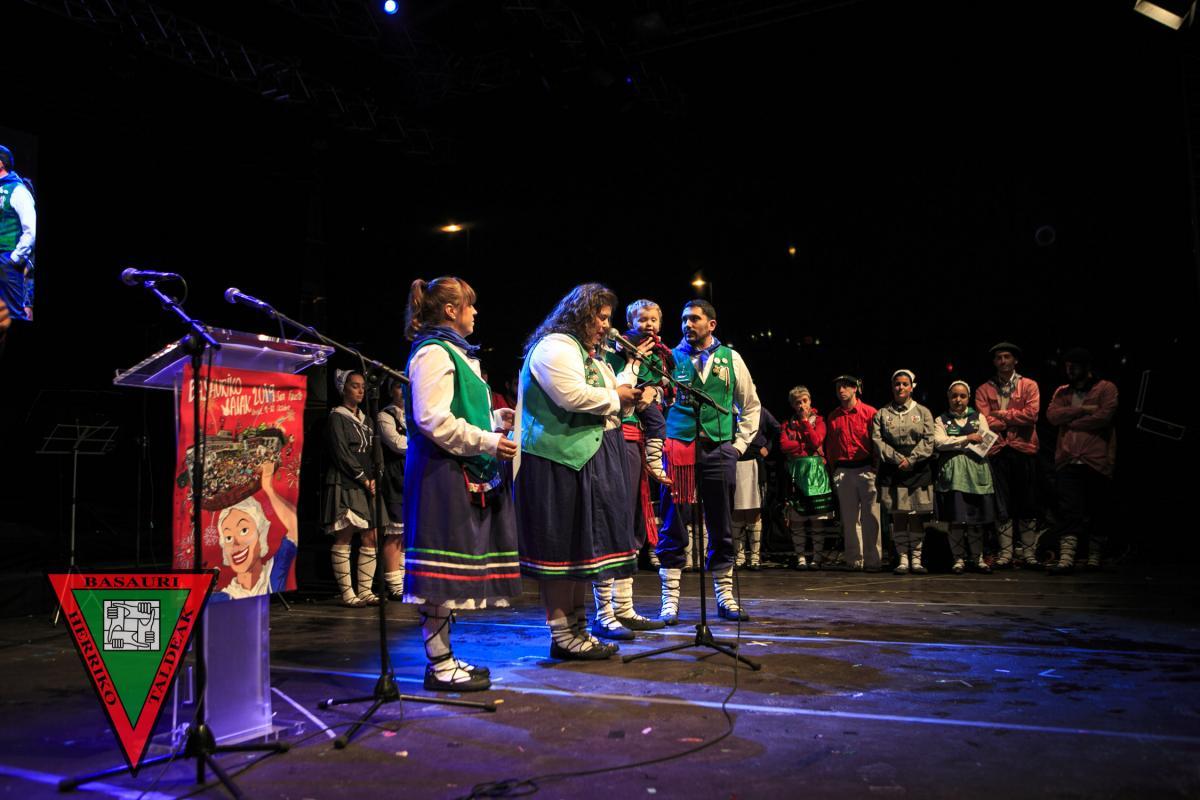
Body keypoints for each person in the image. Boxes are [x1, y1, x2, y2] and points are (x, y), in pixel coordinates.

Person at [403, 276, 522, 691]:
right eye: (470, 305)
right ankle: (439, 665)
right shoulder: (433, 353)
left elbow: (457, 412)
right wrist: (488, 441)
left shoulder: (455, 352)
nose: (476, 312)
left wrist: (493, 420)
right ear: (451, 310)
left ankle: (445, 656)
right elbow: (432, 419)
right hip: (439, 472)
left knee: (450, 568)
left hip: (457, 469)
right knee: (439, 570)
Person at [515, 283, 644, 658]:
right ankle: (562, 634)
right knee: (561, 552)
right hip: (556, 461)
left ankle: (577, 628)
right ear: (580, 314)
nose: (606, 325)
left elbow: (610, 402)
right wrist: (616, 397)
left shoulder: (590, 356)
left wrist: (628, 389)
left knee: (579, 553)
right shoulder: (555, 346)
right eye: (600, 317)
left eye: (608, 318)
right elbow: (570, 396)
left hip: (584, 459)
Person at [656, 299, 761, 623]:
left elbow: (750, 405)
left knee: (721, 522)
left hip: (718, 449)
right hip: (679, 448)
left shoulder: (731, 359)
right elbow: (653, 402)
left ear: (711, 324)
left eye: (694, 319)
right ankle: (670, 601)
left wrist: (738, 446)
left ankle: (724, 597)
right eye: (684, 319)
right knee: (673, 520)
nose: (687, 324)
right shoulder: (669, 358)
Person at [591, 299, 673, 640]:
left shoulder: (654, 353)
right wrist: (634, 372)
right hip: (613, 439)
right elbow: (614, 392)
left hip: (634, 441)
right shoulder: (608, 354)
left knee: (630, 524)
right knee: (611, 524)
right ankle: (605, 613)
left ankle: (624, 607)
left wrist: (655, 390)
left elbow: (660, 387)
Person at [1045, 348, 1118, 574]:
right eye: (1067, 365)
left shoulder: (1105, 388)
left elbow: (1104, 416)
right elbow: (1052, 416)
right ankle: (1067, 558)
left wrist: (1072, 421)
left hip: (1095, 460)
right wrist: (1083, 410)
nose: (1070, 369)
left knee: (1098, 510)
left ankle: (1094, 557)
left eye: (1074, 365)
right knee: (1069, 510)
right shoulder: (1062, 392)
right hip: (1068, 460)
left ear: (1086, 367)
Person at [323, 370, 387, 607]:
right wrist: (363, 478)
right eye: (354, 386)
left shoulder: (367, 420)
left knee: (372, 535)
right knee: (346, 533)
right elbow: (341, 452)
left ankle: (365, 590)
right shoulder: (336, 418)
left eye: (362, 386)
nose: (360, 390)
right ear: (344, 388)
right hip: (347, 480)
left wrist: (376, 477)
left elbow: (376, 451)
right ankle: (348, 593)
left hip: (368, 481)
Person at [974, 342, 1041, 568]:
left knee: (1027, 501)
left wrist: (1001, 414)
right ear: (994, 362)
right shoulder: (984, 389)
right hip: (998, 451)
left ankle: (1029, 553)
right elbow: (984, 421)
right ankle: (1005, 554)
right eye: (998, 357)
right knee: (1002, 503)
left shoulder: (1029, 385)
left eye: (1007, 357)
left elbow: (1031, 415)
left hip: (1024, 449)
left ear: (1015, 360)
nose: (1003, 361)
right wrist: (1012, 417)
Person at [872, 370, 936, 575]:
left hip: (918, 468)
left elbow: (929, 439)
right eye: (897, 384)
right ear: (892, 387)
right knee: (898, 515)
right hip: (893, 469)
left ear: (911, 387)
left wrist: (912, 459)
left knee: (916, 516)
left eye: (904, 384)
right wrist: (897, 458)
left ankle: (916, 560)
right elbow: (877, 440)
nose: (900, 387)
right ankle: (902, 560)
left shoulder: (923, 412)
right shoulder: (882, 413)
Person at [933, 381, 997, 574]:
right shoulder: (941, 419)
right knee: (956, 519)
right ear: (948, 397)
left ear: (968, 398)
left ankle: (978, 559)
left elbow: (985, 442)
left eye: (962, 396)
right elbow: (939, 442)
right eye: (954, 396)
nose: (958, 399)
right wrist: (967, 439)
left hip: (976, 473)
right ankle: (958, 559)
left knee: (976, 519)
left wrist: (955, 443)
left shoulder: (978, 417)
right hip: (953, 476)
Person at [212, 462, 299, 600]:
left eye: (244, 530)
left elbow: (293, 527)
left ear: (261, 533)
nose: (235, 543)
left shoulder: (271, 574)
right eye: (228, 537)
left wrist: (268, 489)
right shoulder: (221, 597)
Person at [779, 386, 838, 570]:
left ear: (810, 401)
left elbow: (816, 441)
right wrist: (803, 446)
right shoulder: (787, 424)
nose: (802, 405)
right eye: (798, 402)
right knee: (797, 518)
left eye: (804, 401)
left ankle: (817, 558)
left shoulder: (819, 421)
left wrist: (805, 423)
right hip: (796, 473)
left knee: (816, 518)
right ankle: (801, 557)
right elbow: (784, 445)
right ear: (793, 405)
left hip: (815, 473)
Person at [825, 376, 880, 571]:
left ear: (855, 388)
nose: (841, 390)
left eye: (845, 387)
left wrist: (875, 469)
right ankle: (854, 559)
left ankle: (873, 560)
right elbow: (831, 446)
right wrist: (834, 471)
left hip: (866, 468)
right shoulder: (834, 416)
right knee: (849, 519)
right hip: (844, 470)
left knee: (871, 517)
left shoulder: (870, 412)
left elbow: (877, 443)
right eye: (838, 387)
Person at [732, 406, 780, 570]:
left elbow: (777, 429)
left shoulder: (758, 410)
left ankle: (754, 556)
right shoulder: (726, 408)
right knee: (736, 509)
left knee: (754, 508)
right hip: (734, 461)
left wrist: (768, 447)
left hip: (753, 461)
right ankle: (739, 557)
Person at [375, 378, 408, 600]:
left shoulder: (412, 415)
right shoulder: (385, 415)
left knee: (406, 532)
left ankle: (404, 579)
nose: (403, 391)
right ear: (390, 391)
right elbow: (396, 443)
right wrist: (422, 442)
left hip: (411, 473)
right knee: (395, 533)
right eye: (398, 386)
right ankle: (394, 583)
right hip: (395, 475)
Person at [0, 145, 35, 325]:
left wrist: (15, 257)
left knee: (13, 314)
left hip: (8, 258)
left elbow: (30, 229)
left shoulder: (18, 190)